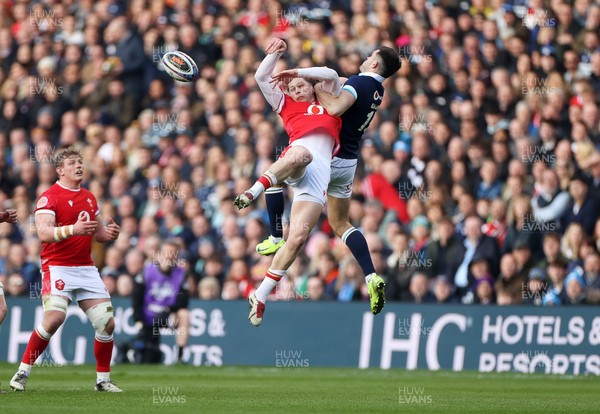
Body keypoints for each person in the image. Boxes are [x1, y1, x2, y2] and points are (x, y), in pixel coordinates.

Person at [253, 45, 401, 314]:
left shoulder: (358, 82)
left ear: (376, 65)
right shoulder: (378, 91)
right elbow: (336, 81)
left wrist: (316, 87)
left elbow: (334, 107)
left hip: (327, 157)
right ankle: (370, 276)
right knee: (340, 223)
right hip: (349, 163)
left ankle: (274, 235)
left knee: (282, 176)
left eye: (370, 57)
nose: (365, 58)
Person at [233, 37, 346, 326]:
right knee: (300, 155)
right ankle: (254, 190)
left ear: (310, 85)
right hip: (298, 157)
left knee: (296, 239)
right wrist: (276, 54)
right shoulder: (284, 105)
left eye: (301, 86)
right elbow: (260, 77)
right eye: (293, 88)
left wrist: (297, 71)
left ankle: (260, 295)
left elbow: (332, 75)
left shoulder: (327, 100)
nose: (296, 90)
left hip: (320, 174)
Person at [10, 147, 122, 392]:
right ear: (60, 170)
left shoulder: (90, 197)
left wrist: (109, 234)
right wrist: (73, 229)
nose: (78, 166)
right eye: (72, 163)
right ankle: (22, 372)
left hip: (85, 267)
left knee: (107, 323)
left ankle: (102, 381)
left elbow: (97, 232)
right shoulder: (49, 197)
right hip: (57, 267)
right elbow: (43, 233)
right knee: (53, 320)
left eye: (80, 162)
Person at [132, 240, 190, 364]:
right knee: (148, 354)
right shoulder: (147, 271)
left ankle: (180, 356)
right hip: (148, 314)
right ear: (158, 254)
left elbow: (184, 300)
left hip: (167, 314)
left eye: (172, 253)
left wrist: (169, 309)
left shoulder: (181, 274)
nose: (169, 256)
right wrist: (138, 319)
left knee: (184, 314)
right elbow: (137, 297)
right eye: (166, 252)